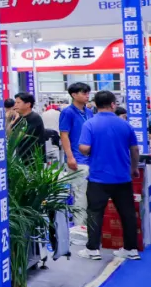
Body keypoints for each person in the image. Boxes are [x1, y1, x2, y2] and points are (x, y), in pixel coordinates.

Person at [77, 90, 141, 261]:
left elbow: (84, 148)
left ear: (95, 104)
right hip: (122, 177)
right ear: (113, 104)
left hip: (98, 177)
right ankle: (131, 249)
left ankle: (93, 249)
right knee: (127, 213)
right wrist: (134, 168)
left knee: (95, 213)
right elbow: (135, 150)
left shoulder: (90, 124)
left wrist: (91, 149)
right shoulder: (125, 125)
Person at [59, 82, 94, 229]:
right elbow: (64, 135)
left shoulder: (89, 112)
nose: (87, 95)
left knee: (90, 195)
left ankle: (90, 226)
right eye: (84, 93)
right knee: (80, 195)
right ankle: (80, 228)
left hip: (91, 159)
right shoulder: (68, 112)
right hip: (77, 160)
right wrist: (70, 157)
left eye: (88, 93)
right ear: (74, 95)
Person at [12, 92, 46, 158]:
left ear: (28, 104)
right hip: (21, 156)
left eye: (18, 103)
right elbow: (10, 134)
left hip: (33, 158)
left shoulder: (34, 118)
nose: (15, 105)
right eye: (15, 102)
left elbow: (21, 136)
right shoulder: (20, 118)